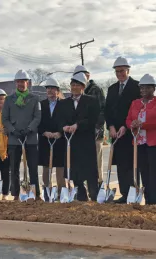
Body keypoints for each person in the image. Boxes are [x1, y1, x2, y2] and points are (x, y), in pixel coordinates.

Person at [126, 74, 156, 206]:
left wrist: (142, 125)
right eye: (141, 88)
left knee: (155, 173)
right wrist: (131, 125)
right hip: (139, 142)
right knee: (144, 173)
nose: (143, 90)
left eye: (147, 87)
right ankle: (149, 201)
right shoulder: (135, 103)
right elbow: (128, 118)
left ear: (153, 88)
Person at [104, 56, 141, 203]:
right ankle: (125, 194)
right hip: (116, 134)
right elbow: (107, 110)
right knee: (120, 164)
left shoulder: (137, 86)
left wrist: (126, 126)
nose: (119, 74)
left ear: (128, 70)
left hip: (131, 132)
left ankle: (134, 193)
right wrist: (111, 127)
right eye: (117, 71)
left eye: (122, 71)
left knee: (132, 165)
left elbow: (138, 109)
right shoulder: (112, 89)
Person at [59, 72, 100, 201]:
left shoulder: (91, 101)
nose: (74, 87)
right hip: (71, 140)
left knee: (90, 170)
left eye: (77, 85)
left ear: (83, 87)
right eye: (73, 85)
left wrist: (78, 125)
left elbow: (93, 119)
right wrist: (64, 127)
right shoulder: (64, 103)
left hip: (86, 140)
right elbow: (59, 119)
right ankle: (81, 195)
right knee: (75, 170)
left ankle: (94, 195)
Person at [2, 70, 42, 200]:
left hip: (30, 139)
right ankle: (15, 194)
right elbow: (5, 119)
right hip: (14, 139)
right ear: (15, 83)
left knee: (33, 168)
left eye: (23, 81)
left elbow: (37, 117)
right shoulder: (8, 100)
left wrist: (29, 129)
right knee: (14, 168)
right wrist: (13, 130)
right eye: (18, 81)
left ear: (27, 83)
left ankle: (35, 194)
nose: (21, 84)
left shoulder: (34, 99)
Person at [73, 65, 106, 184]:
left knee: (96, 160)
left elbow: (102, 110)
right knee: (82, 162)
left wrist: (97, 128)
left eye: (84, 74)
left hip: (95, 132)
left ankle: (99, 183)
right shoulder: (77, 92)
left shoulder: (95, 90)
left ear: (88, 75)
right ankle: (84, 188)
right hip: (81, 133)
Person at [38, 78, 66, 195]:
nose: (50, 91)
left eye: (52, 89)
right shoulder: (41, 104)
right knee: (46, 166)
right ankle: (47, 190)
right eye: (48, 88)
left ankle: (61, 191)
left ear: (58, 91)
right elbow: (37, 121)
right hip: (45, 139)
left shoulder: (64, 104)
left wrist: (60, 132)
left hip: (60, 139)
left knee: (60, 166)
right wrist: (44, 132)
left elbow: (66, 120)